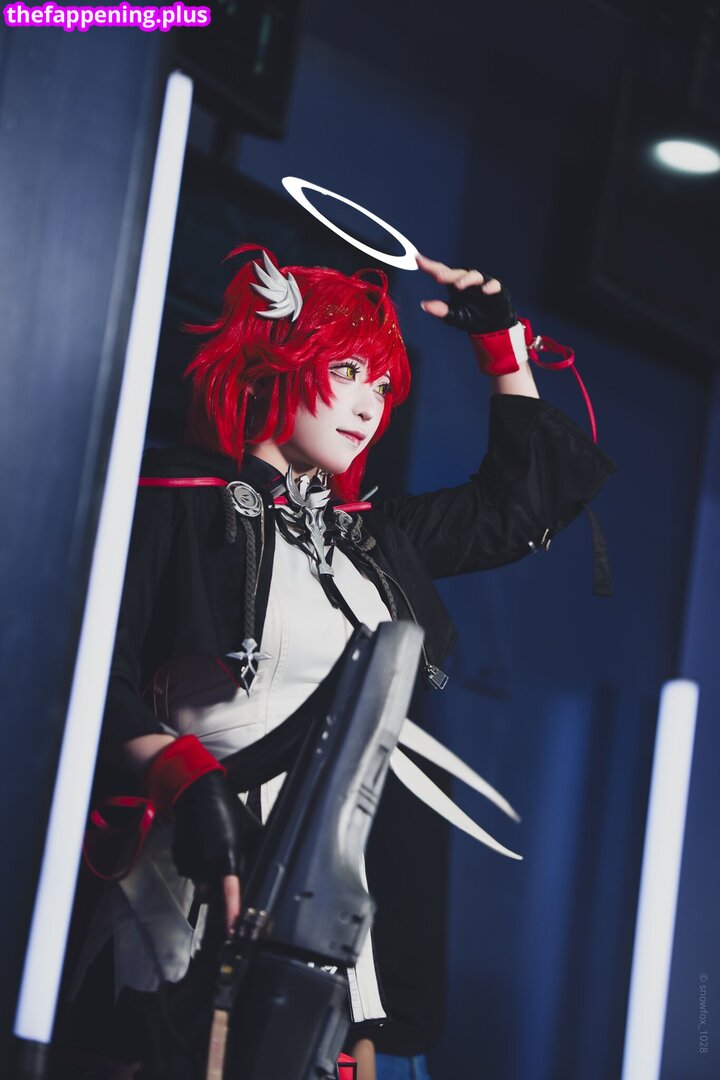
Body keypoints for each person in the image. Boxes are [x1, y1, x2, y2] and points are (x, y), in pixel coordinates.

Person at [67, 246, 615, 1080]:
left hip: (326, 898)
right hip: (191, 877)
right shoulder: (176, 502)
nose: (368, 404)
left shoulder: (370, 537)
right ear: (276, 359)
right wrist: (183, 778)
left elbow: (517, 510)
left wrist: (502, 348)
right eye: (348, 370)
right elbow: (86, 676)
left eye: (384, 386)